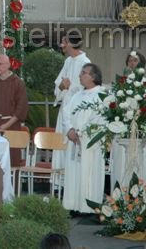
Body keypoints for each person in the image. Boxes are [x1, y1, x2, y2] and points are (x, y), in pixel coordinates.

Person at [62, 63, 105, 214]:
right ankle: (73, 205)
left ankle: (89, 207)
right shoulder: (77, 95)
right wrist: (70, 130)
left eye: (84, 73)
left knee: (89, 174)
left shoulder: (101, 95)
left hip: (90, 142)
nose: (80, 75)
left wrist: (81, 133)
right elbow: (66, 113)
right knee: (74, 172)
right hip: (74, 140)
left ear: (93, 77)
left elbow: (99, 117)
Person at [52, 34, 91, 172]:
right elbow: (59, 84)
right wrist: (62, 86)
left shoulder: (85, 62)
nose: (61, 45)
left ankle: (73, 176)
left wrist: (71, 86)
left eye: (63, 42)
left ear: (69, 43)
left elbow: (87, 89)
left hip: (77, 112)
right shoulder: (68, 61)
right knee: (62, 145)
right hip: (65, 109)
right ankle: (60, 182)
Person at [0, 54, 29, 166]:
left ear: (8, 65)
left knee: (11, 160)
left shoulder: (18, 83)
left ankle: (13, 183)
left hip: (12, 126)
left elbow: (21, 108)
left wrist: (5, 126)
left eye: (0, 64)